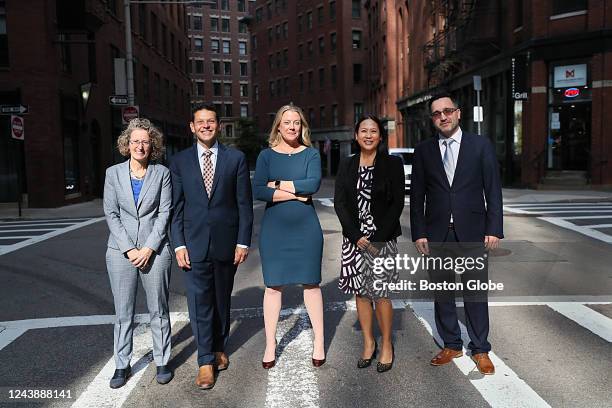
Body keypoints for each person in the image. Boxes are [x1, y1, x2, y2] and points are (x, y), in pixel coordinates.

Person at [409, 94, 503, 375]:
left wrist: (494, 229)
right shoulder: (424, 150)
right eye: (437, 113)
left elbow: (493, 190)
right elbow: (416, 197)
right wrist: (419, 233)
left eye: (447, 111)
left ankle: (480, 348)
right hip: (437, 233)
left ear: (458, 113)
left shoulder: (480, 146)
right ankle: (451, 343)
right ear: (432, 119)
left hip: (474, 231)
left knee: (475, 292)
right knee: (443, 292)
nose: (443, 116)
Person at [169, 103, 253, 390]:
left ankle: (219, 345)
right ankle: (205, 360)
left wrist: (243, 241)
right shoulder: (179, 162)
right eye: (200, 122)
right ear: (192, 127)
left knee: (221, 299)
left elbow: (244, 204)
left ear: (219, 126)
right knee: (199, 303)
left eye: (211, 121)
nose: (206, 126)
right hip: (192, 245)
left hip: (226, 243)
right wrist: (178, 245)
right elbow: (176, 208)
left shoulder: (236, 159)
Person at [253, 104, 325, 369]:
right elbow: (259, 190)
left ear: (301, 126)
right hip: (275, 231)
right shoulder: (266, 157)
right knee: (273, 287)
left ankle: (319, 341)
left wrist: (280, 184)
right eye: (287, 122)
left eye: (297, 122)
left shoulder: (311, 154)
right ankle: (270, 344)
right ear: (278, 127)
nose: (292, 127)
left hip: (306, 229)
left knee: (311, 284)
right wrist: (297, 193)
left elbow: (313, 185)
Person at [103, 118, 174, 388]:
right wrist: (130, 249)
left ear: (152, 144)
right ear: (127, 144)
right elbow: (111, 213)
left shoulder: (162, 173)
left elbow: (164, 212)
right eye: (135, 141)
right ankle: (122, 364)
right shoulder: (113, 174)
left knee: (159, 309)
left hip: (154, 251)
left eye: (145, 141)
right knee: (124, 312)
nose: (140, 146)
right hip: (121, 252)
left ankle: (162, 360)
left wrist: (148, 248)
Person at [334, 115, 405, 372]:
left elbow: (397, 203)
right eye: (363, 131)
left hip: (381, 239)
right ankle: (368, 342)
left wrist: (377, 239)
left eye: (373, 131)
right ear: (356, 136)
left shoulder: (392, 164)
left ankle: (387, 344)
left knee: (381, 294)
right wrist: (355, 236)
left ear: (380, 136)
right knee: (361, 293)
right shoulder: (347, 165)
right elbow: (339, 202)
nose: (368, 135)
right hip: (354, 239)